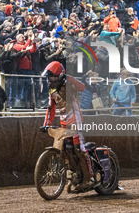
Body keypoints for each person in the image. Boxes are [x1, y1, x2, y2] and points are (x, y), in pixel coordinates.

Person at [41, 61, 94, 191]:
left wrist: (69, 77)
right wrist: (46, 124)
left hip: (75, 120)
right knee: (67, 150)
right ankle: (77, 175)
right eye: (49, 77)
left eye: (52, 76)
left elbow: (82, 87)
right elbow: (51, 109)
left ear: (60, 76)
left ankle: (89, 178)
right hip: (64, 123)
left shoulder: (69, 84)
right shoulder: (52, 91)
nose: (50, 79)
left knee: (78, 148)